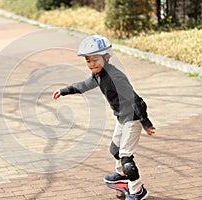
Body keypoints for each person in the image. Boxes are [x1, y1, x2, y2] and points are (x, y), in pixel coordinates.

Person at [52, 35, 155, 200]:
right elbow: (84, 85)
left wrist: (145, 122)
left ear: (106, 57)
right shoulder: (98, 75)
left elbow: (136, 99)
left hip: (133, 119)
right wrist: (64, 91)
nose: (92, 64)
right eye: (88, 61)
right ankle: (121, 175)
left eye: (95, 60)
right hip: (122, 118)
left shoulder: (115, 76)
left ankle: (137, 190)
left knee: (126, 157)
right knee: (115, 150)